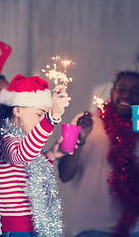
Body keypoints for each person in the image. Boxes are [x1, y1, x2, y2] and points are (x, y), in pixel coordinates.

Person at [58, 70, 139, 237]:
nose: (127, 95)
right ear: (112, 92)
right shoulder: (81, 119)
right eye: (122, 89)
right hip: (89, 226)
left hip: (133, 228)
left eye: (135, 92)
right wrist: (80, 138)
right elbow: (63, 174)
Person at [0, 75, 70, 237]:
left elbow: (29, 169)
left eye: (45, 115)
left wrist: (51, 154)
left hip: (36, 227)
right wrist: (51, 119)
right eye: (39, 114)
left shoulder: (24, 141)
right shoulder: (6, 140)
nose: (42, 120)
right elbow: (21, 155)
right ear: (18, 110)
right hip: (18, 231)